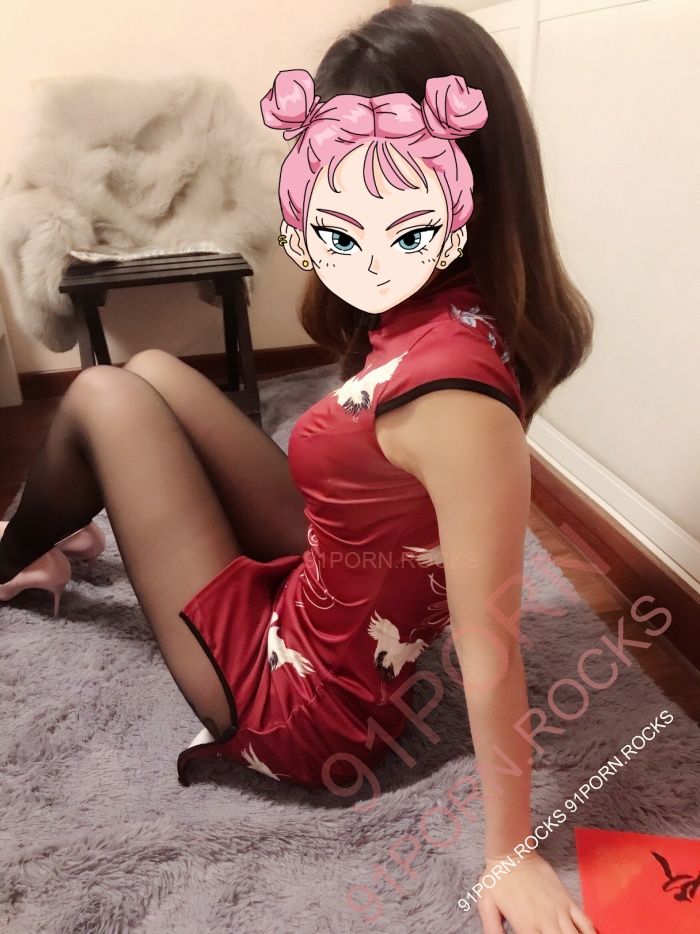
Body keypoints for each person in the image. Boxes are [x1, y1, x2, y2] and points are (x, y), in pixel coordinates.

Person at [0, 5, 595, 931]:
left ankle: (18, 551)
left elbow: (491, 644)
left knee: (103, 395)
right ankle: (43, 535)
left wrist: (511, 851)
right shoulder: (452, 298)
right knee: (152, 370)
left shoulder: (457, 400)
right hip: (333, 572)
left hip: (306, 709)